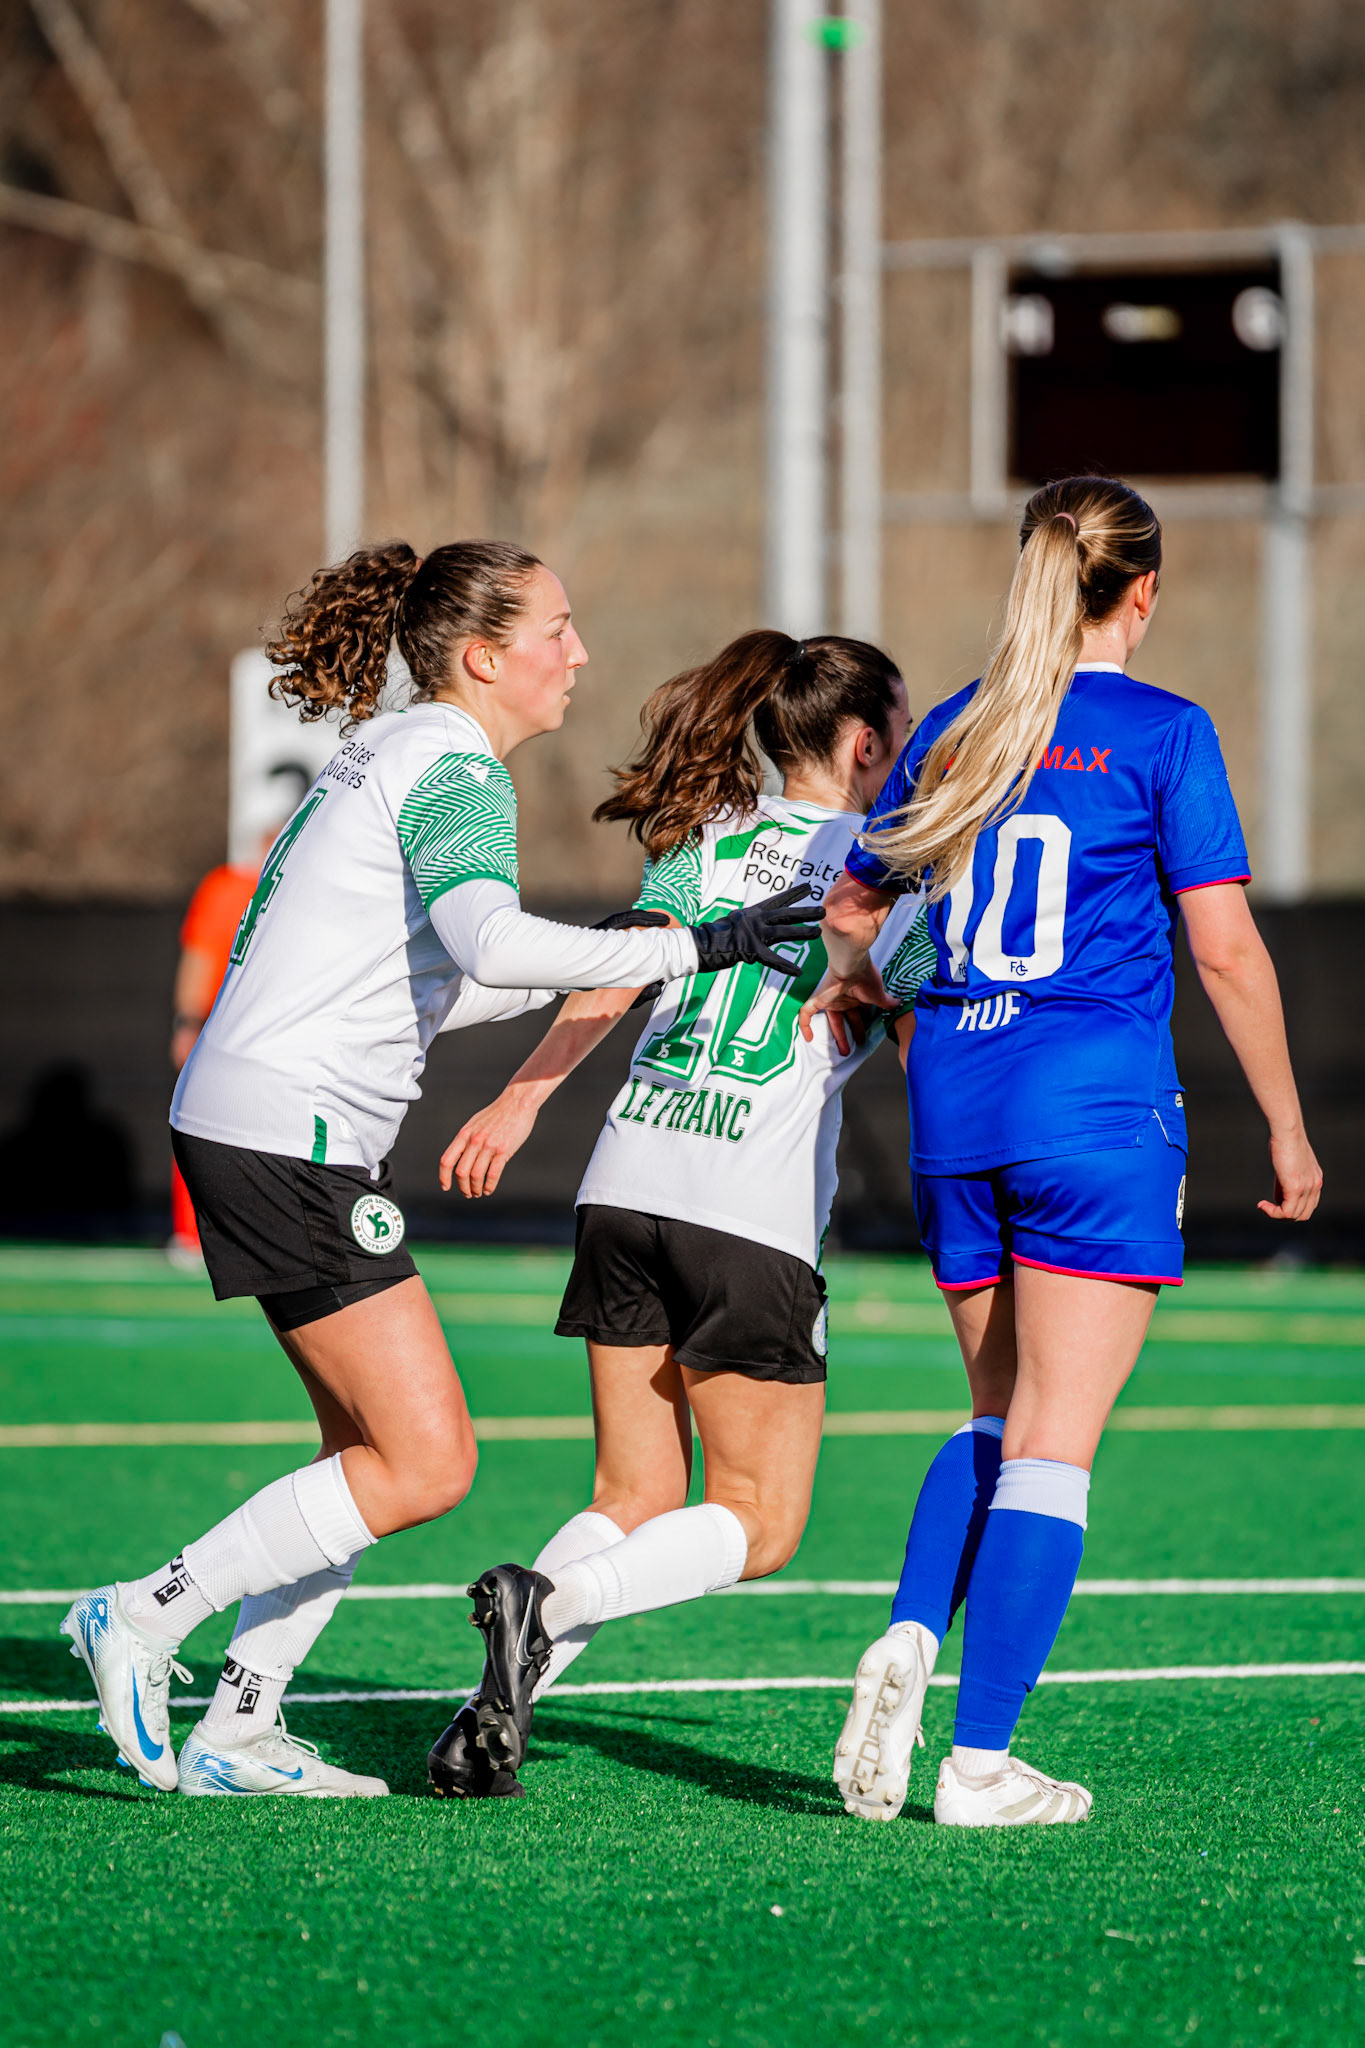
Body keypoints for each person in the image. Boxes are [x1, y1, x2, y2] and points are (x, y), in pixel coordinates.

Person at [61, 540, 821, 1800]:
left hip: (260, 1120)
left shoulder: (398, 746)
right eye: (558, 629)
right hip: (287, 1134)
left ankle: (241, 1726)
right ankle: (144, 1613)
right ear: (484, 656)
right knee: (429, 1462)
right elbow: (489, 938)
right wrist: (696, 944)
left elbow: (442, 982)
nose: (578, 652)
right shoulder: (455, 761)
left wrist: (633, 957)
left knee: (358, 1455)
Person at [797, 474, 1322, 1829]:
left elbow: (853, 910)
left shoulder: (965, 727)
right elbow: (1221, 947)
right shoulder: (1161, 730)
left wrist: (882, 994)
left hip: (955, 1110)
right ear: (1140, 590)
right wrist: (1282, 1120)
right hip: (1093, 1118)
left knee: (992, 1414)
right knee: (1053, 1451)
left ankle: (914, 1630)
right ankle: (978, 1764)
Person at [426, 628, 936, 1798]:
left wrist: (518, 1102)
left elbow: (616, 971)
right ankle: (547, 1603)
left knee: (630, 1495)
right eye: (900, 732)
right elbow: (909, 1011)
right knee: (760, 1521)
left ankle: (488, 1718)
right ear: (867, 744)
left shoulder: (712, 838)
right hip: (743, 1209)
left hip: (624, 1181)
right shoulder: (885, 864)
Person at [167, 770, 310, 1268]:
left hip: (287, 1029)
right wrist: (187, 1022)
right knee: (202, 1124)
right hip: (224, 1027)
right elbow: (201, 956)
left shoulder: (308, 888)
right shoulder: (228, 887)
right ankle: (192, 1233)